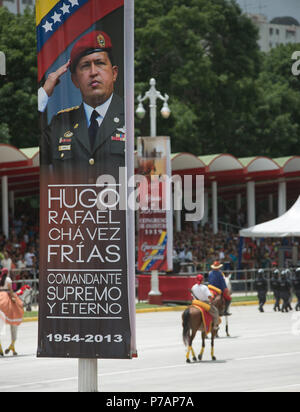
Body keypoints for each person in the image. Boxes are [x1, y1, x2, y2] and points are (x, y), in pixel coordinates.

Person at [39, 30, 125, 181]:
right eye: (85, 66)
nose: (93, 72)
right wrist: (44, 93)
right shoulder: (59, 124)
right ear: (75, 80)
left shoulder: (131, 116)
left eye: (99, 63)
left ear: (114, 73)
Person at [0, 268, 24, 356]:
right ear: (7, 272)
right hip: (6, 296)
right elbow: (10, 290)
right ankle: (12, 345)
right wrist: (14, 298)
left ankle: (0, 348)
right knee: (17, 310)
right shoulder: (8, 279)